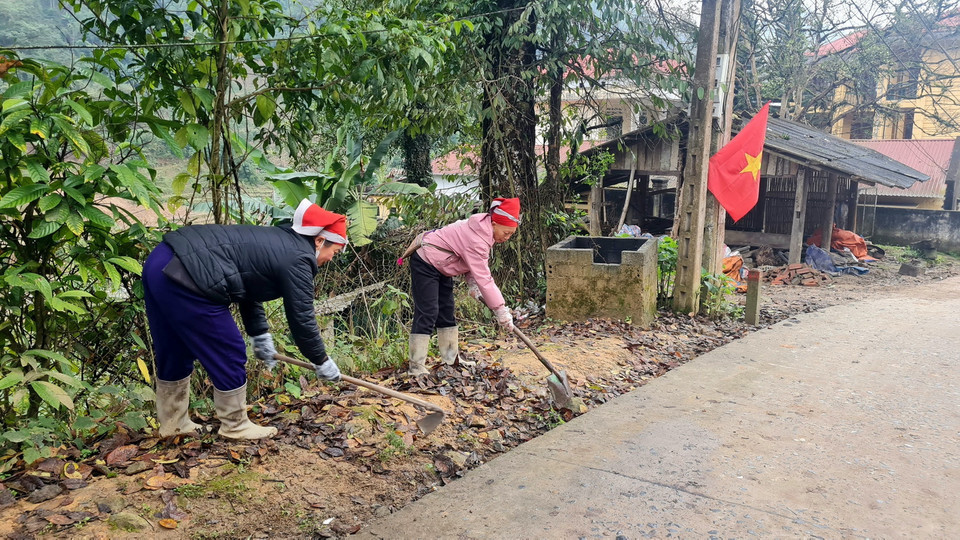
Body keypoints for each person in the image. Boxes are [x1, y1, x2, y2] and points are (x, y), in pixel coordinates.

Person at [142, 199, 346, 440]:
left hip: (159, 262)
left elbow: (249, 285)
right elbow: (301, 318)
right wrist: (321, 359)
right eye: (334, 252)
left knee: (175, 348)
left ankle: (173, 424)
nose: (332, 258)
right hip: (189, 275)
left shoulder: (278, 241)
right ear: (320, 241)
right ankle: (235, 425)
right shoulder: (299, 258)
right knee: (230, 350)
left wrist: (259, 334)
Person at [403, 197, 520, 376]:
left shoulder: (485, 231)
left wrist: (473, 285)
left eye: (511, 234)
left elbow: (470, 263)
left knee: (447, 311)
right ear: (494, 223)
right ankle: (416, 366)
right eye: (506, 233)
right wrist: (501, 310)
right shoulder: (478, 238)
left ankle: (451, 359)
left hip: (443, 266)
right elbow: (485, 277)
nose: (507, 237)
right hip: (426, 262)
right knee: (428, 312)